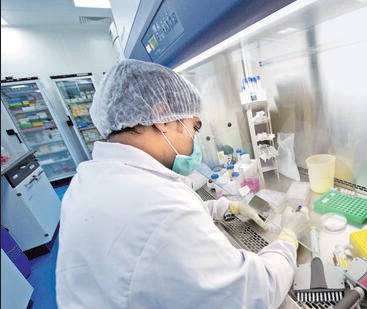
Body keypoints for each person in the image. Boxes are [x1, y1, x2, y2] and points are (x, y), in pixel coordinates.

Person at [55, 59, 310, 308]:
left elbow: (158, 228)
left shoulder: (90, 179)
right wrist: (287, 240)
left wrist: (225, 207)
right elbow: (256, 292)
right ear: (163, 118)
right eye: (194, 127)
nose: (195, 139)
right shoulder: (162, 207)